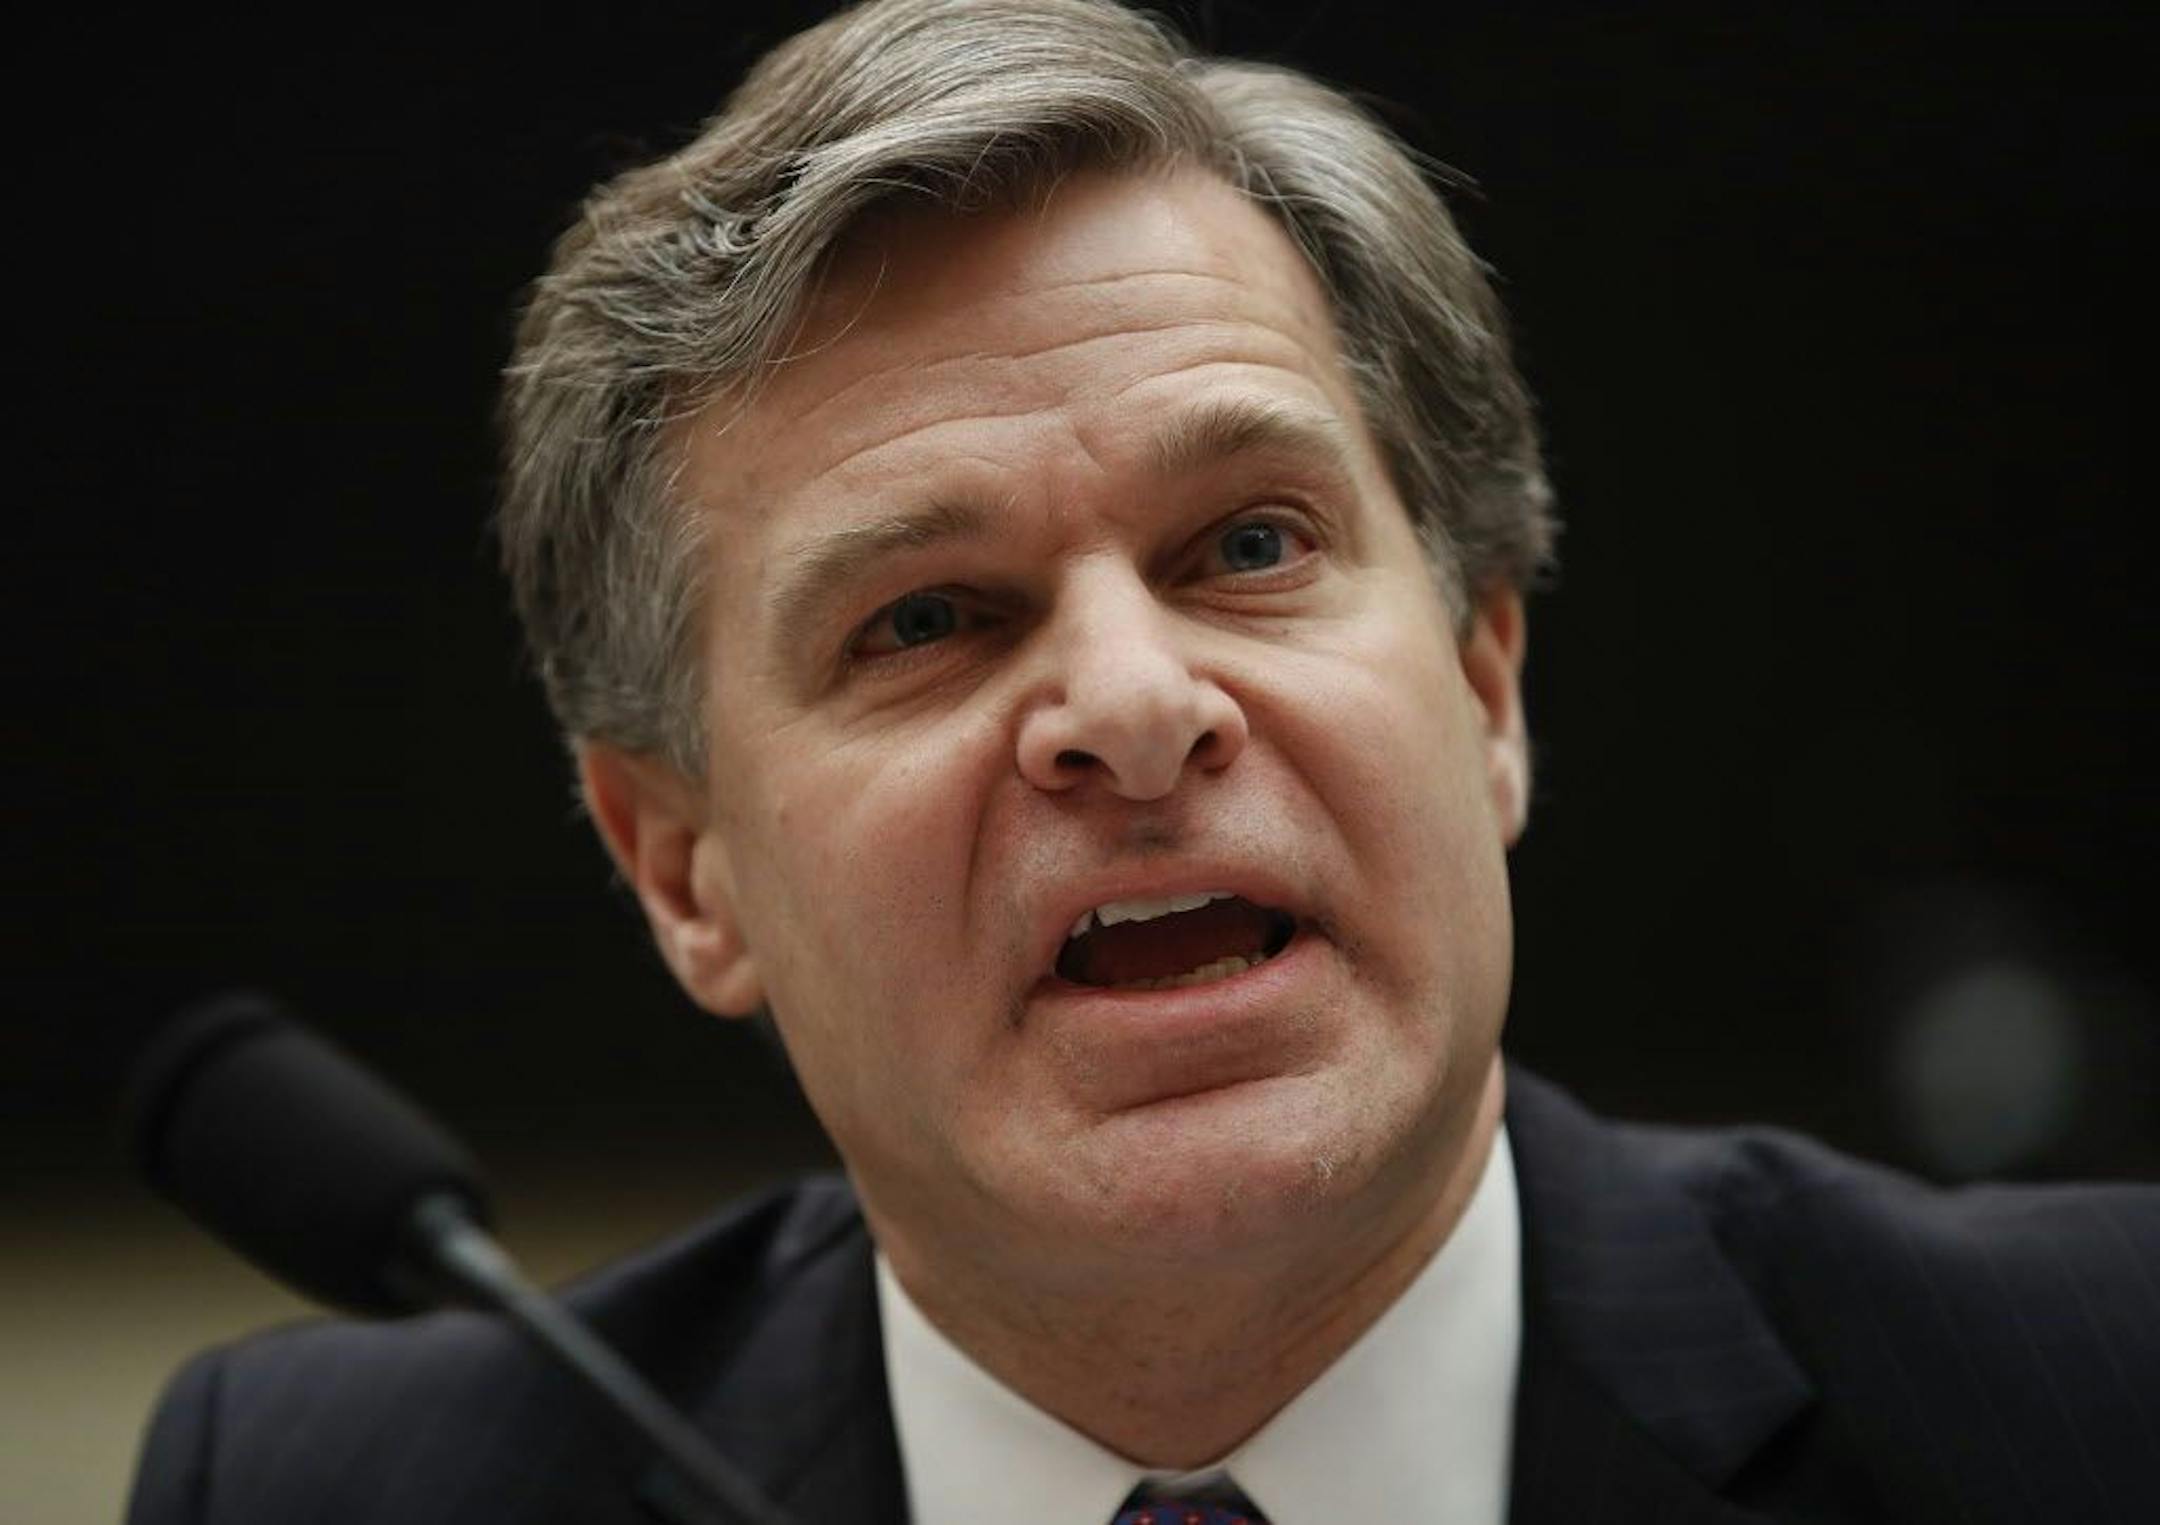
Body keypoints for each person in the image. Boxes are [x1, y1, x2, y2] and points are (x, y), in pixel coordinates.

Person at [128, 2, 2157, 1521]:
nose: (1132, 698)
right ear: (683, 869)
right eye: (926, 618)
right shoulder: (326, 1495)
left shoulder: (2096, 1393)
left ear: (1484, 687)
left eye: (1248, 546)